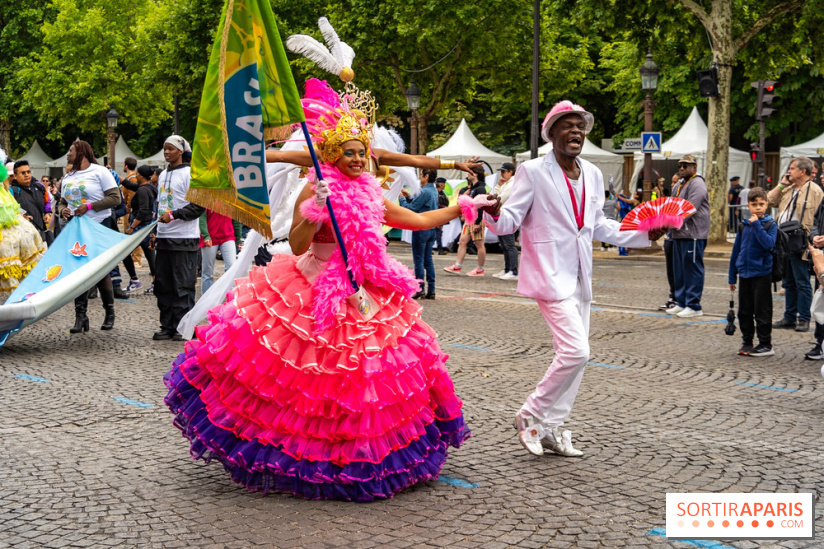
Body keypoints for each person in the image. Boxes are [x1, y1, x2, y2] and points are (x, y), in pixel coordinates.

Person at [163, 83, 479, 501]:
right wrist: (313, 213)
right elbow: (295, 245)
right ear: (332, 155)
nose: (355, 158)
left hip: (364, 285)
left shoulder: (370, 190)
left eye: (360, 152)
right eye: (347, 152)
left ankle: (361, 452)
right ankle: (308, 458)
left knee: (370, 373)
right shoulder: (314, 188)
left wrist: (467, 207)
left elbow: (415, 222)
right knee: (307, 378)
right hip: (312, 285)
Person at [481, 100, 655, 457]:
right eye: (568, 125)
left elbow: (598, 224)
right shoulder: (531, 171)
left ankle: (553, 426)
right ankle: (530, 413)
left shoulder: (591, 173)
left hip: (581, 275)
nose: (576, 131)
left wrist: (644, 235)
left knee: (576, 357)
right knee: (577, 351)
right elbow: (509, 221)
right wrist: (494, 214)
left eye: (580, 126)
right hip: (549, 272)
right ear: (551, 133)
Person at [56, 140, 122, 331]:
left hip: (99, 226)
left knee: (100, 271)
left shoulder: (100, 172)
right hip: (76, 229)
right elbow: (61, 202)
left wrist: (90, 207)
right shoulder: (68, 176)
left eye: (70, 150)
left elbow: (115, 198)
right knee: (78, 273)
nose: (68, 154)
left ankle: (109, 312)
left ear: (82, 152)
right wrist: (63, 211)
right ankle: (81, 317)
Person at [149, 135, 205, 341]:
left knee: (183, 285)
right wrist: (155, 232)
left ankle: (184, 327)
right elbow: (160, 205)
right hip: (164, 238)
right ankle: (167, 326)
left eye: (170, 149)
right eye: (164, 149)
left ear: (181, 151)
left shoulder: (191, 173)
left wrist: (174, 215)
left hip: (185, 238)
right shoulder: (162, 174)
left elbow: (198, 206)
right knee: (163, 285)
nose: (166, 152)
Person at [768, 156, 823, 333]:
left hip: (801, 242)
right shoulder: (789, 188)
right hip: (783, 241)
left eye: (792, 168)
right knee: (788, 282)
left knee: (802, 281)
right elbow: (770, 200)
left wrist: (814, 240)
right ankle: (789, 316)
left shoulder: (815, 191)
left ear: (803, 171)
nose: (789, 171)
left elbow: (818, 218)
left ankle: (804, 318)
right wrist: (781, 185)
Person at [728, 188, 777, 357]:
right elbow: (736, 251)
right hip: (745, 274)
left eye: (761, 204)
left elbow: (768, 244)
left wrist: (757, 225)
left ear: (767, 205)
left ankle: (765, 343)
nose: (758, 208)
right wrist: (732, 274)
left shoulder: (770, 225)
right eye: (754, 204)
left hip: (762, 273)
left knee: (762, 310)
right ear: (748, 205)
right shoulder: (743, 226)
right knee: (745, 310)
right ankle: (747, 341)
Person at [665, 155, 710, 318]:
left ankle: (694, 305)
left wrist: (671, 222)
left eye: (686, 165)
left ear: (694, 167)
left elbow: (690, 208)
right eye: (680, 165)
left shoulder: (697, 183)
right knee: (680, 270)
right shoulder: (680, 184)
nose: (682, 168)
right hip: (679, 233)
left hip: (693, 234)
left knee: (692, 269)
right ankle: (682, 302)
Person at [0, 149, 46, 303]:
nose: (27, 175)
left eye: (28, 172)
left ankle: (19, 298)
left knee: (17, 251)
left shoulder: (5, 188)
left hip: (11, 225)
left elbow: (12, 206)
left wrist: (21, 215)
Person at [400, 168, 439, 299]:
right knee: (428, 260)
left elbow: (411, 209)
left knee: (419, 260)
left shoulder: (424, 191)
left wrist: (401, 199)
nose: (419, 177)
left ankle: (419, 288)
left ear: (426, 176)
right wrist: (407, 196)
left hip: (421, 228)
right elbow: (419, 202)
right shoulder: (433, 190)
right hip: (431, 229)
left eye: (421, 175)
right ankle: (431, 289)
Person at [443, 165, 488, 276]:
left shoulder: (480, 188)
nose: (468, 174)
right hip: (469, 220)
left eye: (470, 172)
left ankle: (480, 269)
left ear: (476, 174)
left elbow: (482, 206)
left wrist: (478, 223)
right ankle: (457, 266)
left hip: (476, 219)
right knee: (462, 241)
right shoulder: (472, 188)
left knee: (479, 244)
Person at [124, 165, 158, 291]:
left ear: (142, 176)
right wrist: (121, 179)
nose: (135, 175)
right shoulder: (150, 188)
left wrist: (132, 227)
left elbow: (143, 211)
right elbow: (130, 185)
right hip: (148, 227)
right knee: (150, 255)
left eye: (137, 173)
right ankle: (156, 283)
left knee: (124, 251)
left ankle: (134, 280)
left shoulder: (143, 191)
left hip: (141, 228)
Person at [198, 209, 242, 295]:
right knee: (207, 272)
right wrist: (206, 235)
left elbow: (236, 218)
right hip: (210, 237)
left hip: (228, 236)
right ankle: (206, 299)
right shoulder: (206, 198)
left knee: (231, 268)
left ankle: (231, 297)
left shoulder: (231, 198)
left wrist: (238, 238)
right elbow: (202, 217)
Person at [492, 162, 519, 279]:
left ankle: (513, 271)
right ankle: (508, 268)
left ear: (510, 172)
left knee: (509, 245)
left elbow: (501, 198)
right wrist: (498, 186)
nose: (501, 174)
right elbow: (495, 196)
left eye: (503, 171)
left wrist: (496, 196)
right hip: (502, 216)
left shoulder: (512, 183)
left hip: (508, 216)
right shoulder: (506, 183)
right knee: (504, 245)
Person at [9, 161, 49, 239]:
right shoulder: (12, 191)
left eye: (28, 172)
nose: (26, 175)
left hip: (41, 233)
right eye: (23, 173)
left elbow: (47, 202)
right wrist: (20, 217)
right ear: (15, 176)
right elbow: (8, 212)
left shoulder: (39, 187)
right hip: (23, 236)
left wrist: (47, 213)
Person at [659, 174, 681, 310]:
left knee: (678, 271)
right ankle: (673, 296)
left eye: (675, 182)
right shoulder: (669, 201)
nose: (672, 185)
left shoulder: (681, 201)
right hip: (669, 238)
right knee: (671, 271)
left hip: (677, 238)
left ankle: (679, 298)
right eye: (672, 182)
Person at [435, 177, 449, 255]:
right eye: (443, 184)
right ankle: (439, 249)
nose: (444, 186)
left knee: (437, 232)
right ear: (441, 185)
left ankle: (437, 248)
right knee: (436, 232)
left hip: (441, 215)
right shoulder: (436, 193)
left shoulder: (442, 194)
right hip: (437, 215)